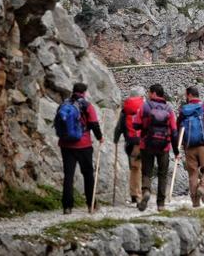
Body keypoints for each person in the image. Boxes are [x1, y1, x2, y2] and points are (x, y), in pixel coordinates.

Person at [57, 82, 103, 215]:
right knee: (88, 174)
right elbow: (94, 124)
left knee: (68, 175)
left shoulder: (64, 104)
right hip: (84, 144)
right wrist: (100, 137)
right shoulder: (87, 105)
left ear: (73, 91)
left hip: (65, 144)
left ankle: (67, 207)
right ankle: (91, 205)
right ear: (84, 93)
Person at [134, 84, 179, 211]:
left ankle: (146, 191)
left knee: (147, 171)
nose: (148, 94)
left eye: (149, 92)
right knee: (162, 174)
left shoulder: (145, 106)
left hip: (146, 145)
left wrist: (144, 126)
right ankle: (160, 204)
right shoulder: (169, 109)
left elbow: (136, 125)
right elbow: (174, 132)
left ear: (153, 93)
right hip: (164, 147)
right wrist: (176, 151)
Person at [113, 87, 145, 204]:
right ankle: (139, 193)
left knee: (134, 168)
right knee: (141, 168)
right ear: (141, 96)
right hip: (143, 142)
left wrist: (115, 140)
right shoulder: (145, 107)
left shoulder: (125, 109)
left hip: (130, 143)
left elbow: (119, 127)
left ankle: (134, 194)